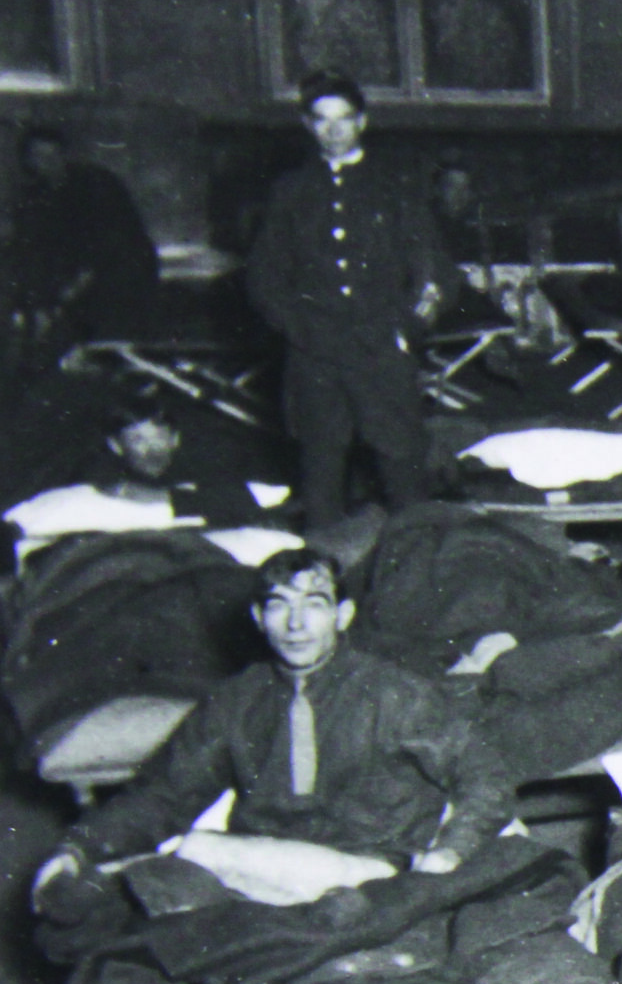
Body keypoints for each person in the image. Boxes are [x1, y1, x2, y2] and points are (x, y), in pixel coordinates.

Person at [30, 548, 511, 908]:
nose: (297, 624)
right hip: (258, 873)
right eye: (280, 606)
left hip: (369, 875)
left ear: (343, 615)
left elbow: (485, 777)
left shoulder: (394, 694)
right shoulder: (237, 700)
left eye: (315, 604)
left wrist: (449, 854)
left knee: (184, 866)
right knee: (107, 913)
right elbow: (166, 795)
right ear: (260, 618)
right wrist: (80, 847)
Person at [246, 70, 455, 527]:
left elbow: (434, 275)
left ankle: (416, 567)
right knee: (321, 470)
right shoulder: (290, 192)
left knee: (402, 469)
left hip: (382, 347)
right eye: (321, 120)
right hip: (315, 352)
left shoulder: (395, 188)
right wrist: (299, 331)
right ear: (307, 125)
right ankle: (322, 577)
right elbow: (264, 277)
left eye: (343, 119)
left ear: (362, 121)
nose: (333, 130)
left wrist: (407, 331)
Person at [6, 125, 161, 356]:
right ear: (28, 161)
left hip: (121, 275)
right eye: (39, 157)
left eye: (54, 155)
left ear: (64, 154)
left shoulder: (96, 184)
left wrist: (70, 293)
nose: (48, 163)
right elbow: (31, 247)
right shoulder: (34, 196)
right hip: (77, 280)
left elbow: (109, 243)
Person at [84, 392, 274, 527]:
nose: (151, 447)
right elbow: (95, 489)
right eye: (137, 439)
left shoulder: (207, 457)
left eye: (158, 437)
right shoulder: (105, 468)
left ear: (175, 438)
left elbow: (240, 507)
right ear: (115, 445)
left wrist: (168, 498)